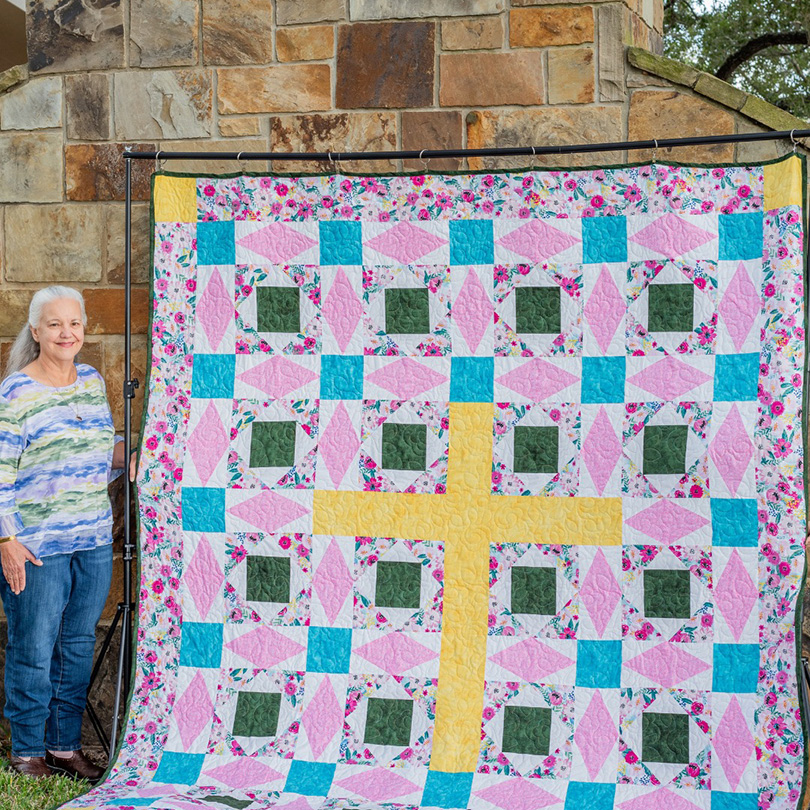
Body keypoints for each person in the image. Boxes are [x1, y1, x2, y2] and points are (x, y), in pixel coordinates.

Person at [0, 286, 131, 781]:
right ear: (36, 332)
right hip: (36, 545)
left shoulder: (92, 381)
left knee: (76, 642)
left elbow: (98, 451)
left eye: (74, 323)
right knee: (34, 646)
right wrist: (6, 540)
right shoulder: (16, 392)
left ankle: (63, 746)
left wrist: (135, 456)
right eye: (54, 324)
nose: (66, 333)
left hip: (93, 538)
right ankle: (28, 751)